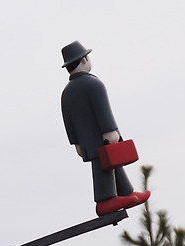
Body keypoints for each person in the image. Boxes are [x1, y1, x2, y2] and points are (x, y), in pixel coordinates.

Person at [60, 41, 150, 216]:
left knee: (112, 163)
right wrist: (110, 130)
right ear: (84, 59)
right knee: (103, 165)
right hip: (101, 136)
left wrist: (75, 143)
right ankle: (105, 199)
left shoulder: (66, 92)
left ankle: (126, 192)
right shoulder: (93, 84)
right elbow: (103, 110)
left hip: (84, 142)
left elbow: (68, 122)